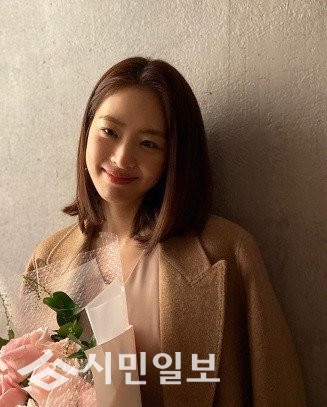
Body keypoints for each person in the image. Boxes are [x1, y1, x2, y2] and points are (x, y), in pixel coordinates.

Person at [23, 57, 306, 406]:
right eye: (109, 132)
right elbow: (23, 381)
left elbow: (276, 389)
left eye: (148, 143)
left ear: (173, 157)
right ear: (87, 130)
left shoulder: (227, 251)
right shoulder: (48, 256)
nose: (122, 158)